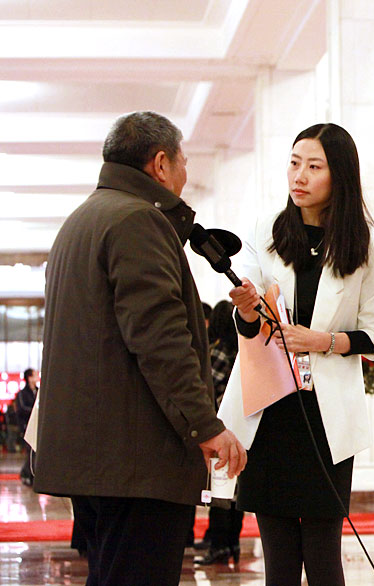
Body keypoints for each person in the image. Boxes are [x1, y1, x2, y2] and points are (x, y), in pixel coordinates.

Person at [35, 111, 247, 586]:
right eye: (183, 161)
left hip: (99, 457)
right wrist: (205, 425)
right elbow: (160, 340)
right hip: (136, 459)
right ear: (159, 164)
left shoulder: (82, 220)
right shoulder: (137, 221)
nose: (186, 173)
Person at [219, 122, 374, 586]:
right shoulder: (266, 231)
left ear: (340, 175)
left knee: (322, 555)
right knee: (277, 558)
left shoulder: (367, 245)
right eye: (294, 163)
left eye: (314, 166)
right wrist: (248, 311)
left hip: (326, 414)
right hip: (272, 408)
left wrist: (324, 342)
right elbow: (249, 326)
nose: (299, 176)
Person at [195, 300, 245, 565]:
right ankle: (233, 543)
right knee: (237, 491)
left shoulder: (219, 352)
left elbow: (207, 388)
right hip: (242, 427)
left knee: (220, 490)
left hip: (220, 428)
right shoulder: (243, 351)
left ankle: (218, 546)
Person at [16, 369, 37, 486]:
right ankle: (28, 474)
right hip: (27, 426)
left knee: (34, 452)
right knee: (30, 451)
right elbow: (22, 409)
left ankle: (27, 473)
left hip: (37, 427)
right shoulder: (22, 394)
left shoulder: (39, 392)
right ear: (29, 377)